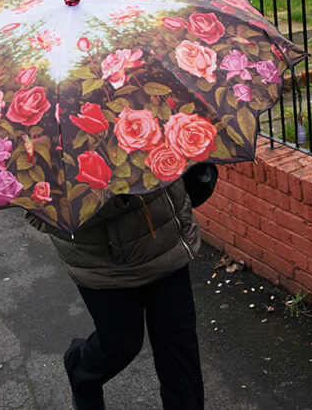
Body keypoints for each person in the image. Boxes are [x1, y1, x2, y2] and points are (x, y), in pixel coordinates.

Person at [25, 162, 219, 410]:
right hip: (102, 264)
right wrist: (116, 196)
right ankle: (81, 369)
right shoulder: (40, 138)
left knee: (180, 353)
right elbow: (38, 214)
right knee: (120, 345)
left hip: (165, 243)